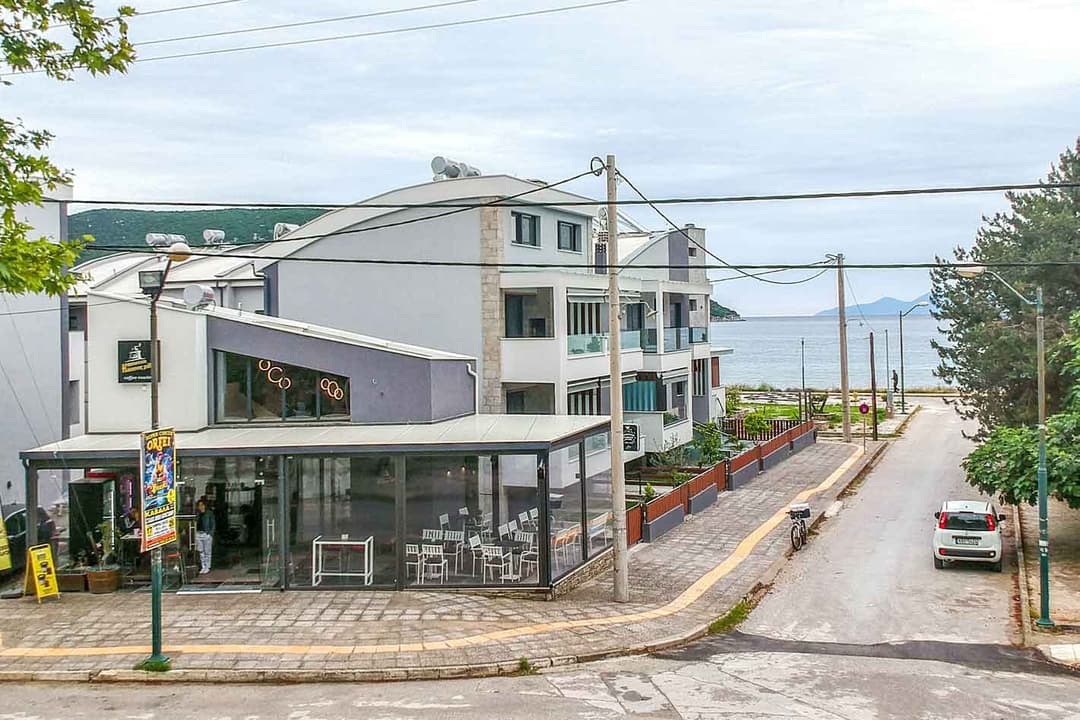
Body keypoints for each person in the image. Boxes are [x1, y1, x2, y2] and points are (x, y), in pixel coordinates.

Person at [195, 498, 215, 575]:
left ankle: (207, 566)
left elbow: (213, 524)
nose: (201, 507)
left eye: (202, 505)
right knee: (201, 551)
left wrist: (210, 533)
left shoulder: (209, 513)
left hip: (206, 533)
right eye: (199, 505)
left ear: (205, 505)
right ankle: (203, 566)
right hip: (198, 534)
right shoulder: (197, 514)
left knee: (207, 551)